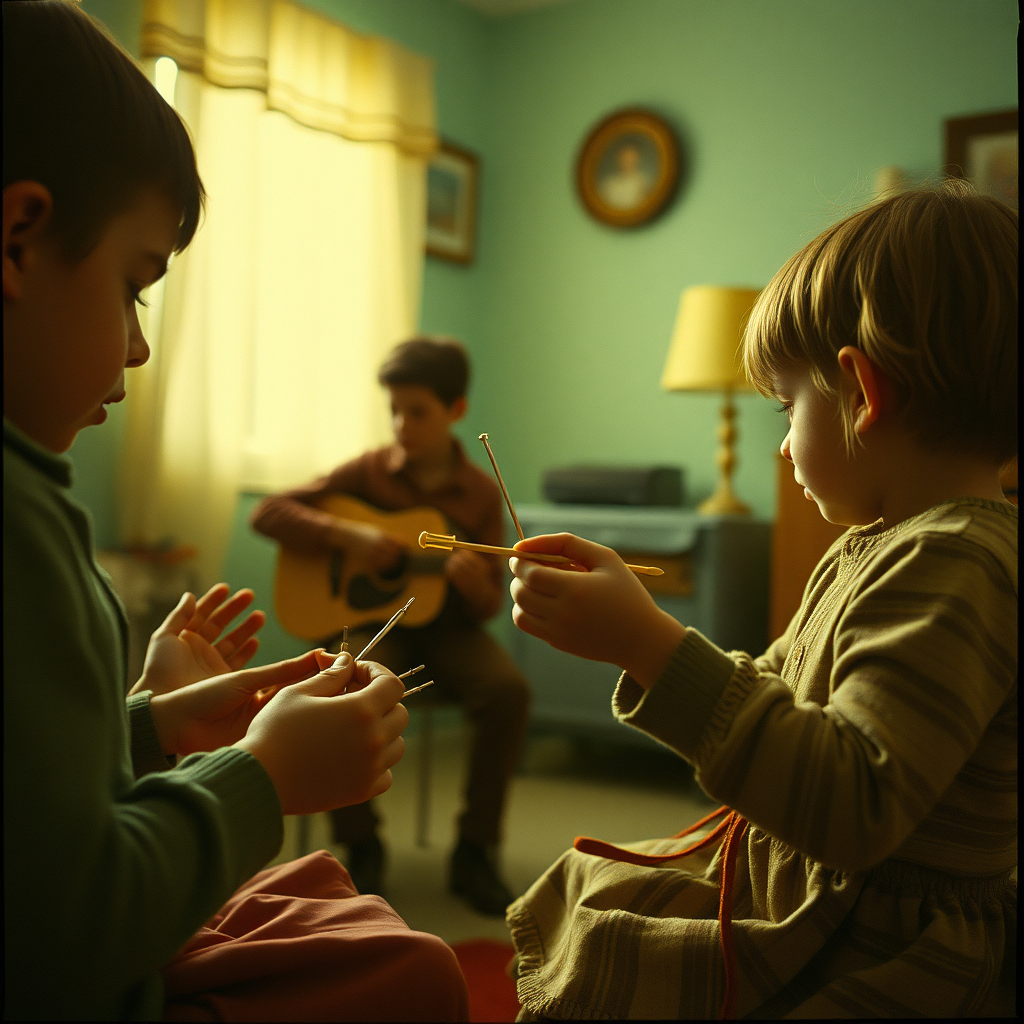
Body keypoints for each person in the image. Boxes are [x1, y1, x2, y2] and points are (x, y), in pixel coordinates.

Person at [3, 3, 468, 1020]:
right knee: (417, 970)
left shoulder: (469, 489)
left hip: (458, 641)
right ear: (18, 235)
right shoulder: (19, 522)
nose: (137, 347)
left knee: (338, 901)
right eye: (134, 288)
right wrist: (261, 772)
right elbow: (57, 926)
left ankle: (465, 851)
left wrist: (158, 725)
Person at [505, 182, 1017, 1019]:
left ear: (862, 393)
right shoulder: (876, 545)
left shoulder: (959, 560)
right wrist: (644, 630)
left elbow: (856, 805)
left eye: (788, 407)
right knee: (593, 887)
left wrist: (649, 645)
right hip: (812, 883)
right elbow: (779, 695)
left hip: (876, 941)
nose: (781, 445)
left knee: (608, 942)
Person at [251, 337, 531, 915]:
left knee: (509, 691)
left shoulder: (479, 494)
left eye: (418, 412)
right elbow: (268, 511)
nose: (403, 425)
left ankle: (475, 852)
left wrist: (478, 587)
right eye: (395, 411)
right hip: (373, 627)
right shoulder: (369, 471)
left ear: (455, 411)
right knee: (340, 682)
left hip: (448, 630)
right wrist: (347, 535)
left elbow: (486, 610)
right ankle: (362, 843)